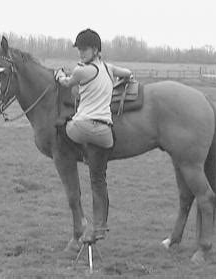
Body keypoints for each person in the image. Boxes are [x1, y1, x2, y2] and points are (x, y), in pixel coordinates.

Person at [55, 28, 133, 242]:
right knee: (98, 179)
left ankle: (76, 156)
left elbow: (66, 82)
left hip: (82, 128)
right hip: (105, 133)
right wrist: (123, 78)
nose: (80, 53)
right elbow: (127, 73)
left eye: (84, 49)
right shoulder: (109, 68)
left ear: (96, 50)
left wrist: (59, 74)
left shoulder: (82, 71)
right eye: (79, 50)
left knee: (60, 128)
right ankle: (100, 226)